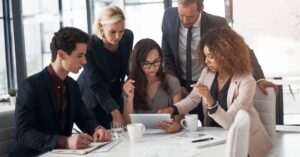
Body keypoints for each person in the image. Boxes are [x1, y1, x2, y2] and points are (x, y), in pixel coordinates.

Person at [159, 27, 273, 157]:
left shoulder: (247, 81)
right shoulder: (208, 73)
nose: (206, 61)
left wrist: (209, 99)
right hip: (214, 137)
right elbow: (193, 98)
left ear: (226, 55)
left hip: (243, 142)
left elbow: (229, 123)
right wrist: (172, 109)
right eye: (205, 55)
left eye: (211, 56)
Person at [161, 0, 278, 124]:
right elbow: (167, 55)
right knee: (192, 126)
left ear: (200, 9)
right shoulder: (168, 16)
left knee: (210, 118)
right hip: (185, 81)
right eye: (181, 15)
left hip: (208, 80)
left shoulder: (216, 23)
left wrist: (259, 78)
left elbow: (242, 49)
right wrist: (176, 86)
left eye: (190, 16)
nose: (184, 21)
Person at [9, 27, 111, 157]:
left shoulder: (73, 86)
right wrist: (65, 141)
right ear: (61, 55)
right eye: (80, 56)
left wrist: (97, 129)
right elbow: (23, 133)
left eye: (85, 55)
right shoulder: (31, 86)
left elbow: (84, 118)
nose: (84, 61)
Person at [77, 5, 134, 129]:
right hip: (93, 96)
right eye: (113, 32)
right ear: (101, 26)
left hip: (114, 92)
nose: (118, 36)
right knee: (102, 137)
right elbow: (96, 84)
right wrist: (114, 111)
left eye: (121, 31)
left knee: (120, 133)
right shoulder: (90, 46)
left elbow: (129, 65)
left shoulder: (128, 37)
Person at [122, 38, 182, 133]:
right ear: (138, 64)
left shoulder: (172, 82)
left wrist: (177, 126)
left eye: (156, 62)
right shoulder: (130, 85)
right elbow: (127, 124)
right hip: (140, 137)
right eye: (147, 64)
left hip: (167, 137)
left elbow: (179, 120)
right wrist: (129, 99)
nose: (153, 67)